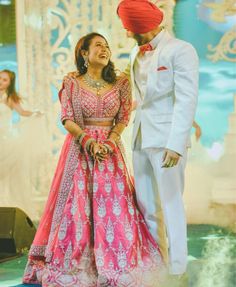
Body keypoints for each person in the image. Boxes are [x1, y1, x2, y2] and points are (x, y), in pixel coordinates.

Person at [23, 32, 165, 287]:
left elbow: (123, 118)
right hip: (79, 150)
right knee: (75, 208)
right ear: (84, 54)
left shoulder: (121, 82)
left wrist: (109, 142)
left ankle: (118, 264)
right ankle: (76, 266)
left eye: (107, 46)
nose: (105, 49)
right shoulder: (72, 82)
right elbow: (67, 118)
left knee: (115, 209)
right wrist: (88, 142)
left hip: (110, 153)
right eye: (98, 45)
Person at [117, 0, 199, 285]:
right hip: (140, 137)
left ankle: (178, 269)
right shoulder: (133, 53)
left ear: (144, 26)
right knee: (146, 204)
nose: (127, 34)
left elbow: (187, 98)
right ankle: (155, 264)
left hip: (167, 140)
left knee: (171, 202)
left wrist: (176, 144)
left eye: (130, 28)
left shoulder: (181, 50)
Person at [0, 69, 44, 217]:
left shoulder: (10, 98)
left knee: (8, 173)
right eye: (0, 78)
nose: (1, 81)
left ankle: (6, 203)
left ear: (10, 83)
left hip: (6, 139)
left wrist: (34, 113)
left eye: (5, 79)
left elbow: (22, 112)